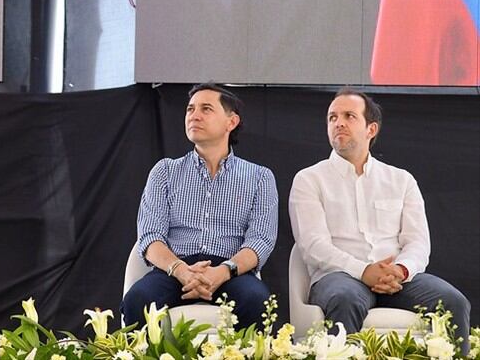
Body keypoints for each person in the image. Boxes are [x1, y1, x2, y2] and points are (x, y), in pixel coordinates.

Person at [290, 88, 470, 354]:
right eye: (332, 117)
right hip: (339, 276)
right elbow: (313, 246)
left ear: (370, 129)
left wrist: (401, 270)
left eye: (349, 116)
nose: (338, 123)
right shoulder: (309, 179)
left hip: (397, 278)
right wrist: (363, 270)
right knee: (345, 298)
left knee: (454, 301)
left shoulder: (401, 180)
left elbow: (418, 242)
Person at [121, 83, 278, 328]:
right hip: (175, 269)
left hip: (231, 271)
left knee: (258, 301)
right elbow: (150, 237)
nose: (194, 115)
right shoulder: (165, 171)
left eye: (206, 109)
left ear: (231, 122)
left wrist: (222, 272)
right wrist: (182, 271)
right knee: (138, 300)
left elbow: (261, 241)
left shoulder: (259, 177)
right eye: (190, 109)